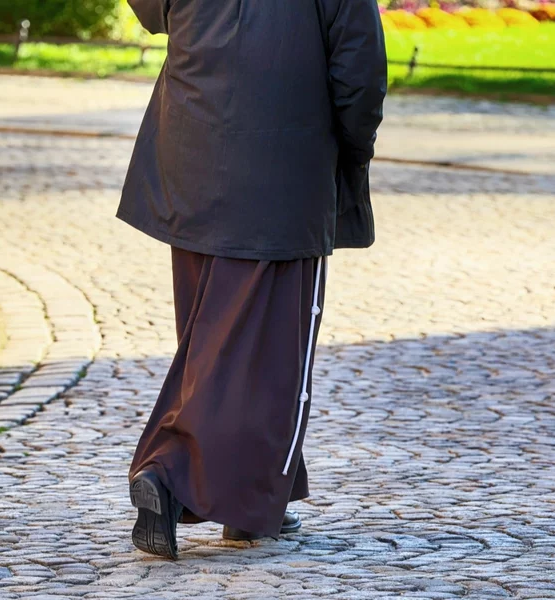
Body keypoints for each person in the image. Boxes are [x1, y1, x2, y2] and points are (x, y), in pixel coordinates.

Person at [118, 0, 387, 559]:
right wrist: (351, 150)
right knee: (266, 348)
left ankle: (249, 500)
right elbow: (359, 69)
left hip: (192, 152)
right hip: (283, 166)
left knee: (217, 338)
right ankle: (168, 473)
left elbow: (150, 10)